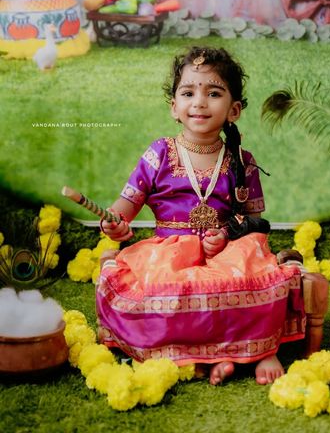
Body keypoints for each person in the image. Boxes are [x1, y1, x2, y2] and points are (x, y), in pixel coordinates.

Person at [96, 46, 305, 386]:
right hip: (168, 250)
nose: (200, 102)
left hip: (225, 250)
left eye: (214, 93)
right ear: (174, 107)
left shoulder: (242, 160)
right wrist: (113, 222)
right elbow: (124, 209)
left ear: (234, 109)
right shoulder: (159, 153)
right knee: (161, 290)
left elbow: (256, 222)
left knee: (255, 275)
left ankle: (258, 349)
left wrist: (226, 235)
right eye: (188, 92)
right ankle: (221, 356)